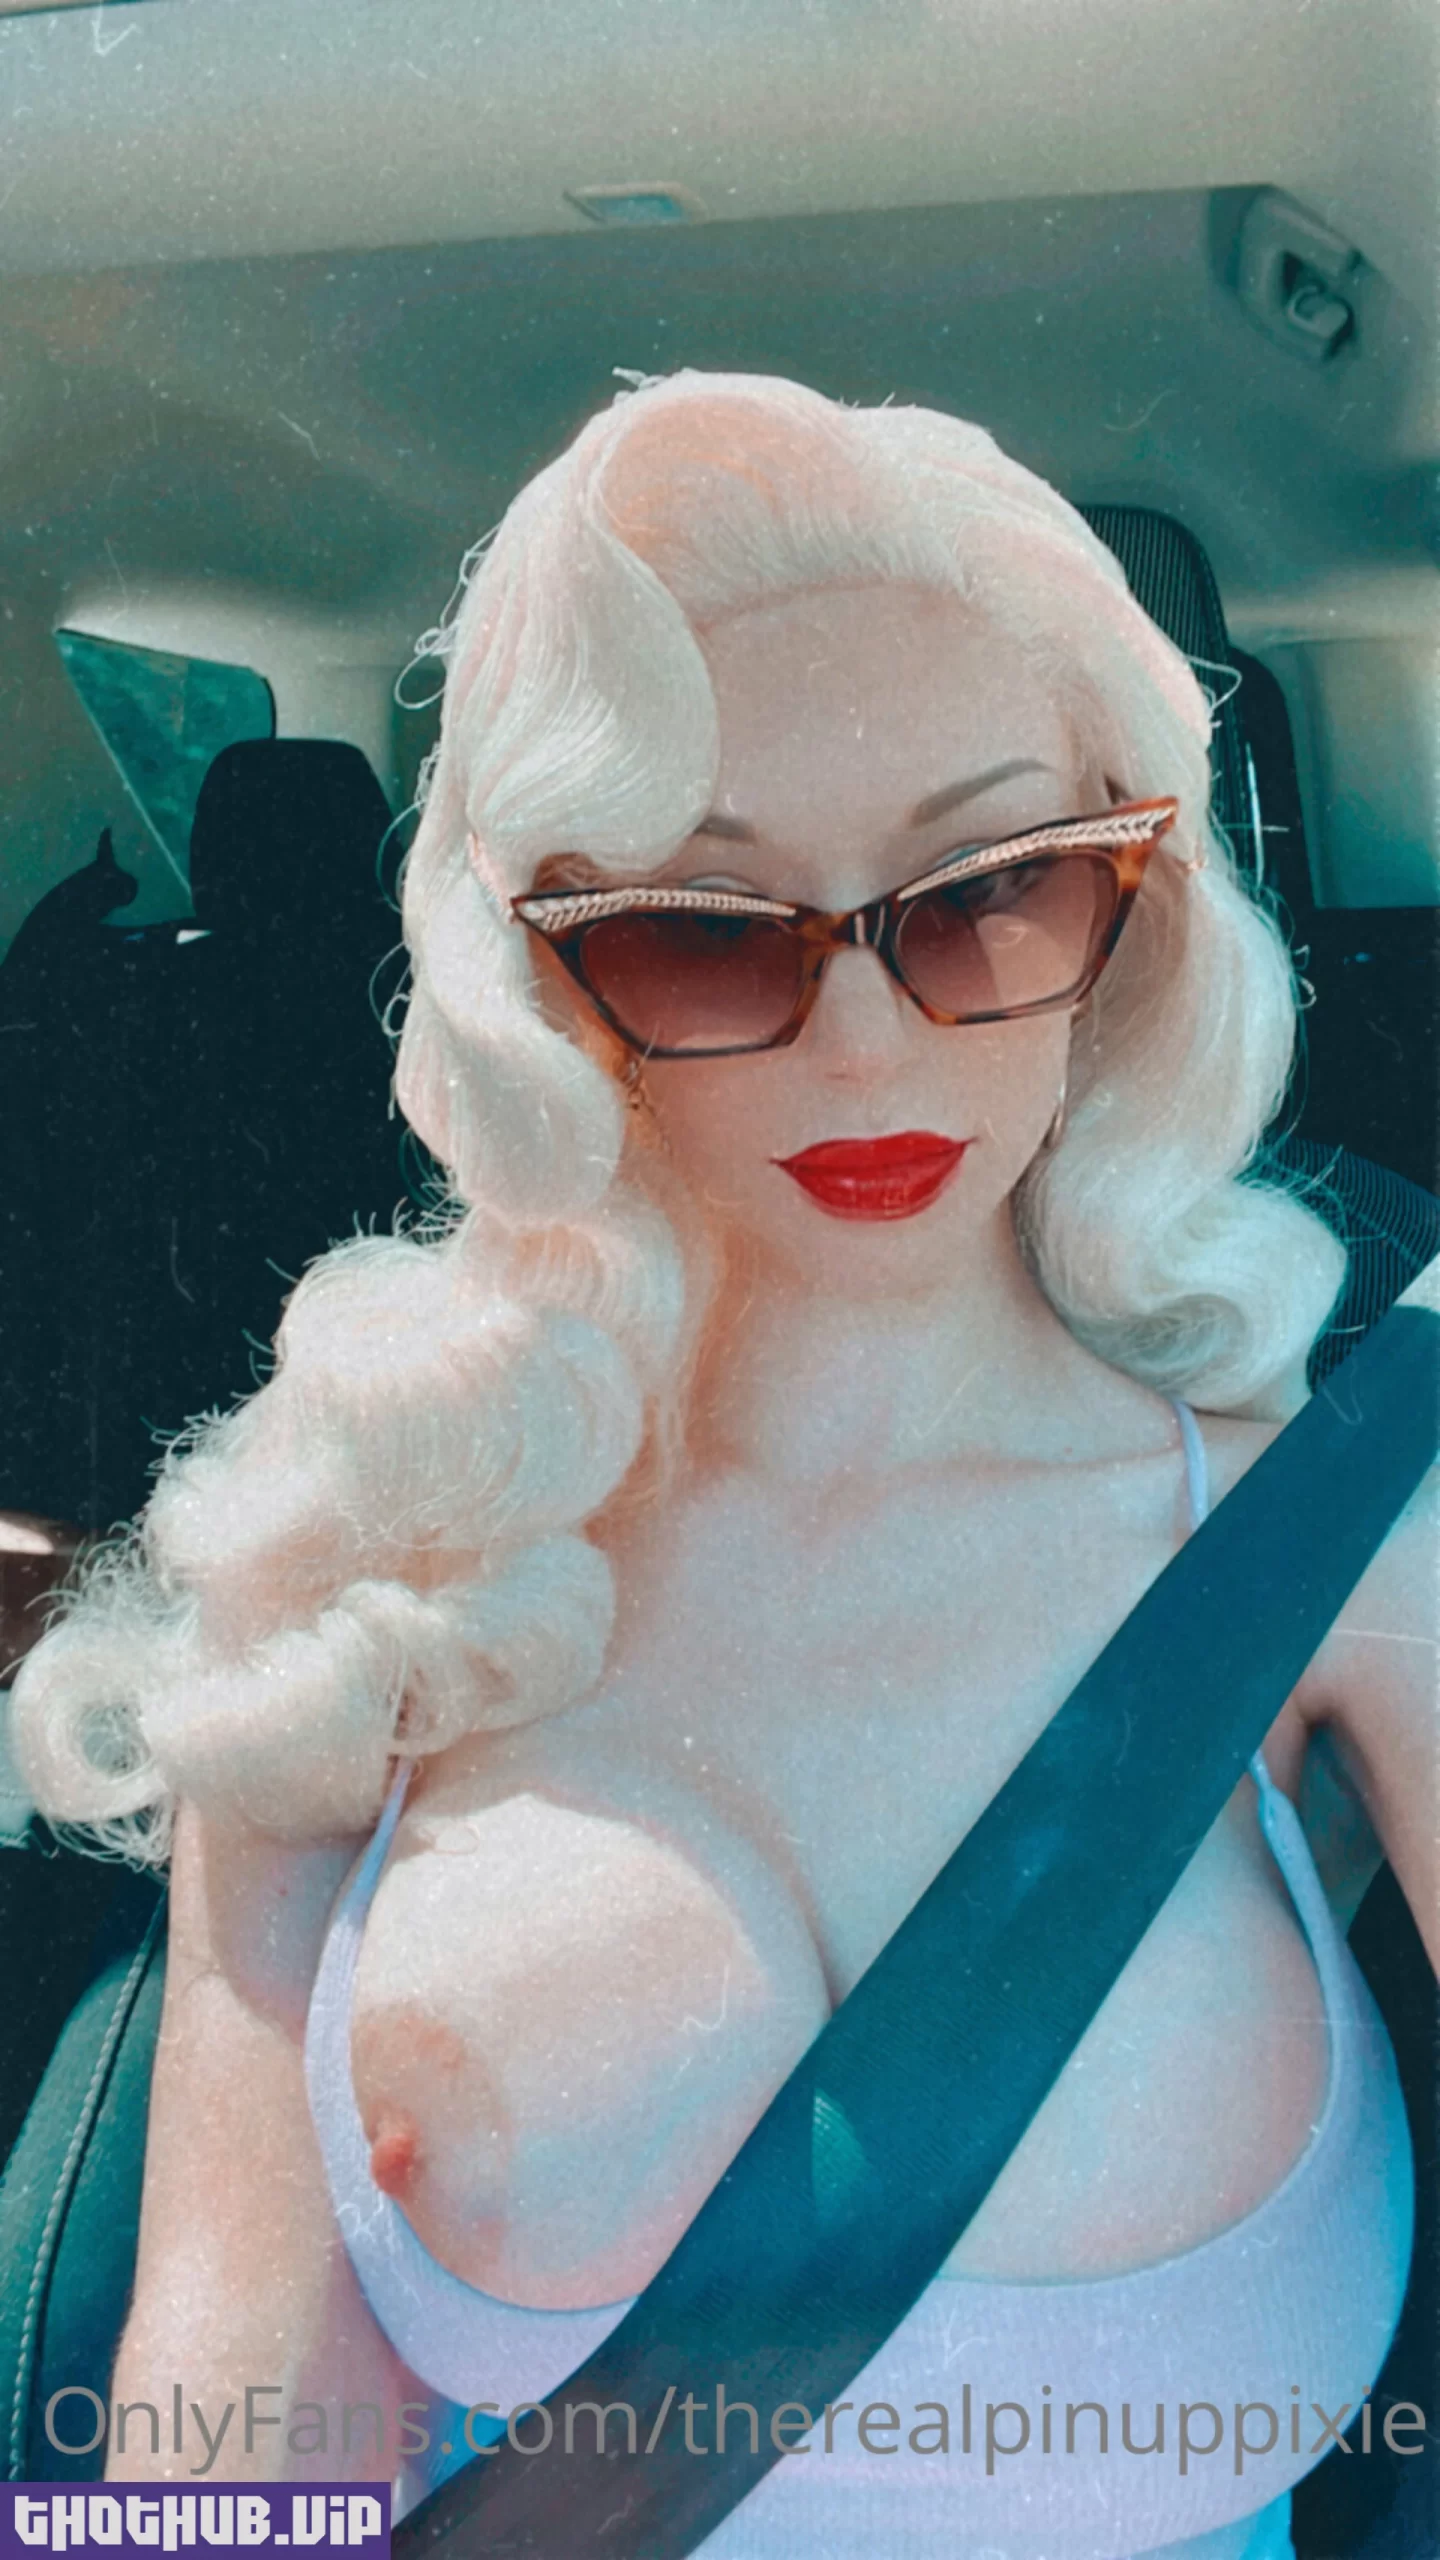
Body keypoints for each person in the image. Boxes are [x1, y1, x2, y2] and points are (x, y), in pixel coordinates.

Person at [11, 372, 1436, 2559]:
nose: (867, 1042)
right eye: (702, 927)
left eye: (991, 896)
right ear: (538, 984)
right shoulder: (356, 1575)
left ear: (1130, 909)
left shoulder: (1344, 1537)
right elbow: (230, 2454)